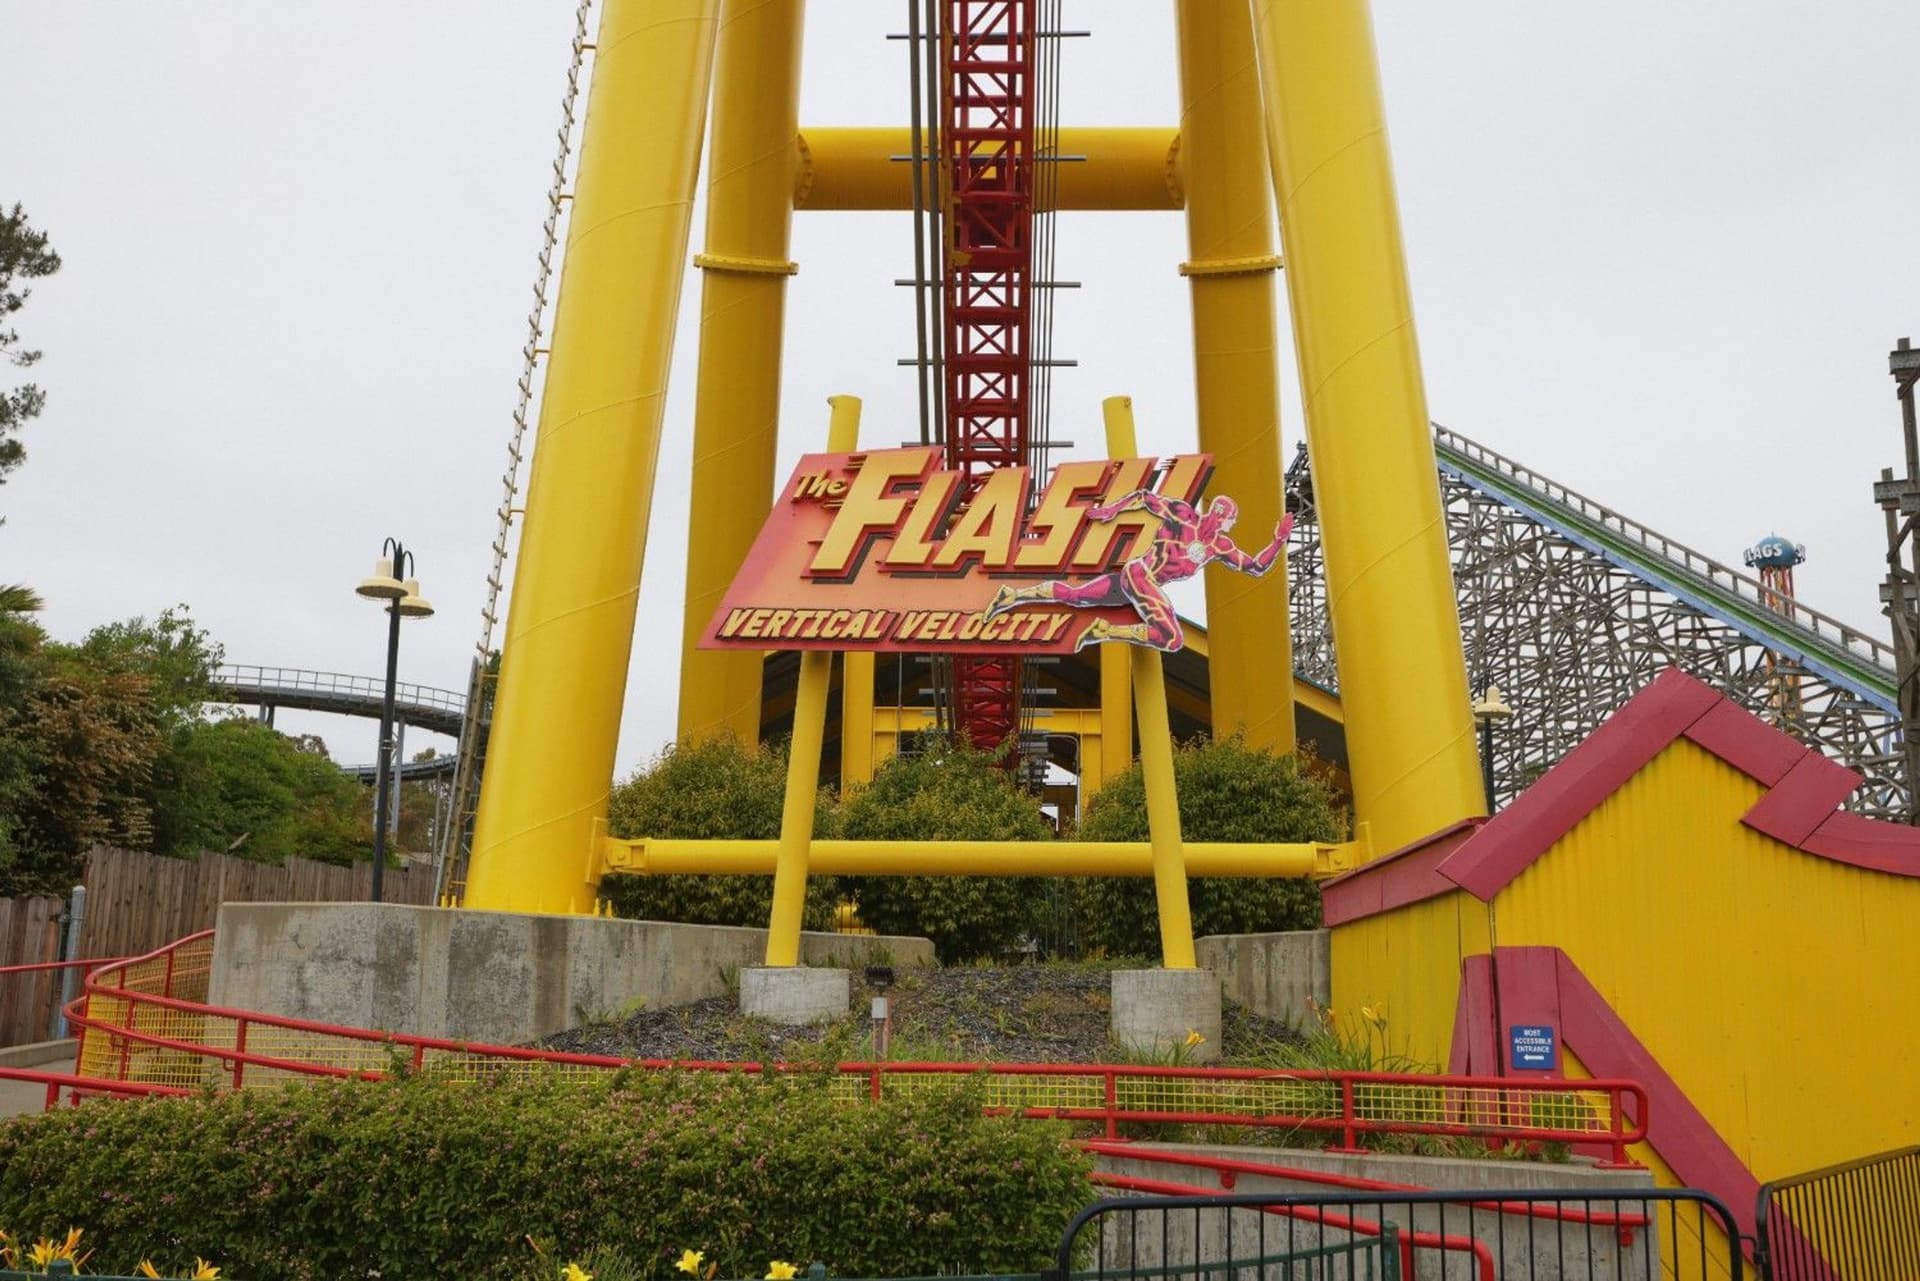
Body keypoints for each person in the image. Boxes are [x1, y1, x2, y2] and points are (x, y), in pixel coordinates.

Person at [984, 491, 1294, 651]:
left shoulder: (1220, 547)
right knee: (1172, 638)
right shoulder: (1185, 517)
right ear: (1224, 517)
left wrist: (1278, 540)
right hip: (1142, 575)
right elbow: (1145, 497)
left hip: (1133, 579)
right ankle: (1104, 631)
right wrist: (1111, 510)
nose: (1231, 525)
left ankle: (1014, 595)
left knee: (1077, 596)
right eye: (1231, 520)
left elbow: (1257, 566)